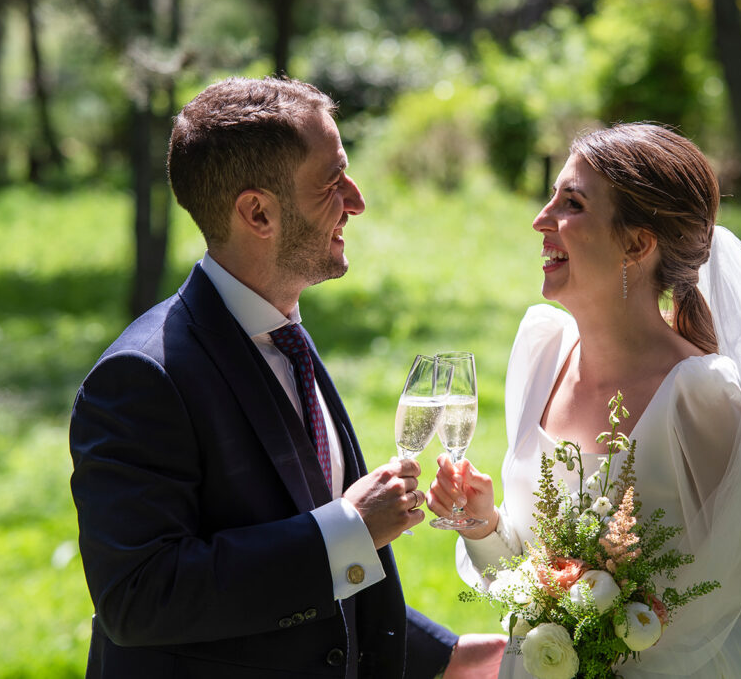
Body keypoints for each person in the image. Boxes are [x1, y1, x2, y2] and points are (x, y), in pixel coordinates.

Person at [69, 76, 506, 679]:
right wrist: (352, 528)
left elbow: (312, 570)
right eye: (332, 180)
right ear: (258, 212)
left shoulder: (285, 337)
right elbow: (141, 597)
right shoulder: (141, 379)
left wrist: (445, 657)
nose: (356, 200)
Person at [427, 123, 741, 677]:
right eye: (552, 197)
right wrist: (483, 526)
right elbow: (526, 575)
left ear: (636, 244)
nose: (541, 219)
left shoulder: (700, 396)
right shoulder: (542, 355)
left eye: (572, 203)